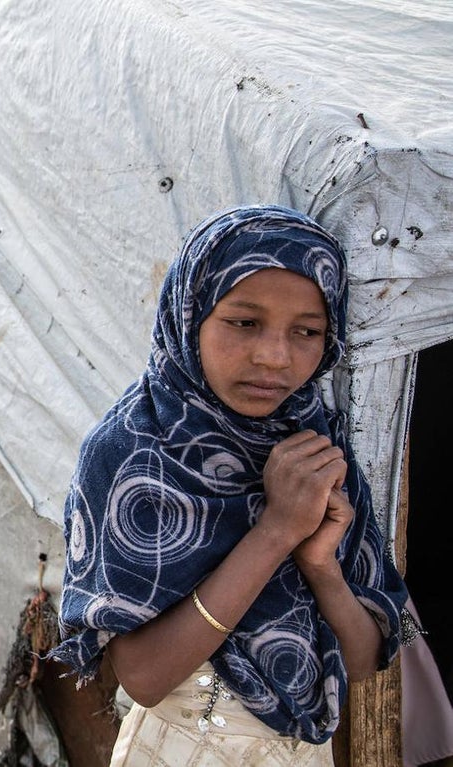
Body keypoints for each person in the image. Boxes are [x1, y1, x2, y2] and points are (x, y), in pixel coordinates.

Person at [50, 205, 411, 764]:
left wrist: (319, 564)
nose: (274, 356)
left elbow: (364, 663)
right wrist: (274, 532)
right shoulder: (134, 455)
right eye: (244, 322)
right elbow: (144, 678)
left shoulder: (313, 445)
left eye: (307, 332)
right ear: (190, 314)